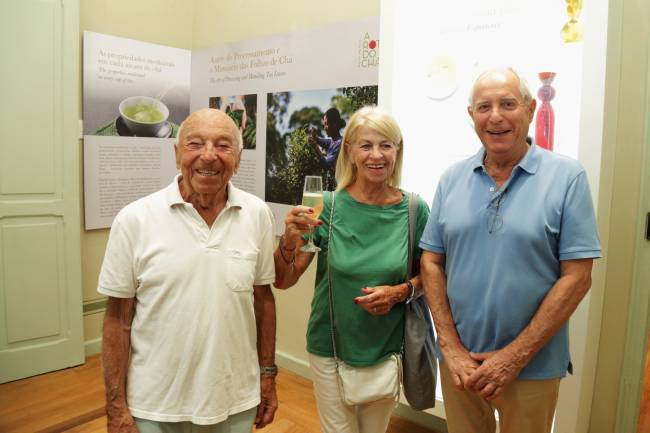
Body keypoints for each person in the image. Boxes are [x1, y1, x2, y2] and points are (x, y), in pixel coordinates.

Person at [419, 68, 601, 433]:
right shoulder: (451, 179)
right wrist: (451, 348)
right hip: (461, 365)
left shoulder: (567, 178)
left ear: (531, 109)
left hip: (532, 366)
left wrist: (513, 357)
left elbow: (578, 277)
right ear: (471, 116)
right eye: (484, 106)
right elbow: (431, 261)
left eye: (508, 104)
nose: (496, 116)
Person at [99, 108, 278, 433]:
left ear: (238, 159)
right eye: (195, 143)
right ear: (176, 152)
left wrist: (267, 376)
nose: (208, 156)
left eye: (223, 146)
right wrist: (115, 407)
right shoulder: (134, 219)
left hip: (235, 399)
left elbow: (263, 300)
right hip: (155, 405)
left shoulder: (257, 214)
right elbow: (118, 320)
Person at [274, 106, 430, 433]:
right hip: (330, 344)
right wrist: (289, 240)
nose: (377, 155)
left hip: (387, 347)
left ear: (397, 151)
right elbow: (285, 279)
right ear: (349, 151)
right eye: (366, 145)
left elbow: (429, 278)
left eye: (386, 145)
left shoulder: (415, 209)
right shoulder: (326, 206)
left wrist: (400, 292)